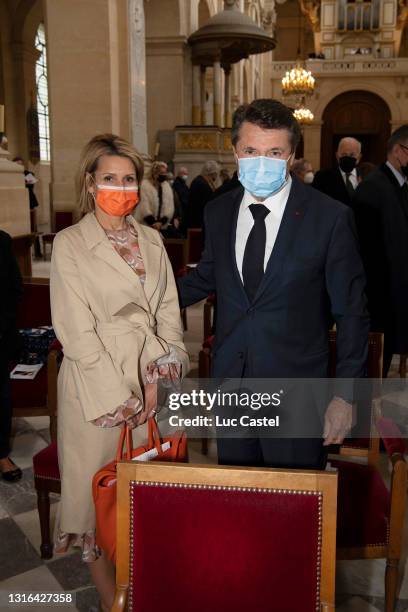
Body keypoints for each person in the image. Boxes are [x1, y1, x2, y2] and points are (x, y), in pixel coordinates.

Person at [178, 99, 369, 470]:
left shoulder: (329, 218)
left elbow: (352, 314)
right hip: (232, 385)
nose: (261, 162)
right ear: (235, 151)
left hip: (296, 392)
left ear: (292, 155)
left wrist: (345, 397)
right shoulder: (218, 211)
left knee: (292, 509)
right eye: (251, 150)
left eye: (274, 152)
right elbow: (206, 276)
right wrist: (140, 296)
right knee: (241, 504)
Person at [50, 134, 189, 611]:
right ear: (91, 183)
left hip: (154, 378)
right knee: (97, 498)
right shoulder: (70, 243)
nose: (121, 187)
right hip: (98, 386)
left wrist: (162, 375)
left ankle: (145, 588)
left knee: (147, 493)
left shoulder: (151, 239)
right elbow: (75, 330)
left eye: (128, 179)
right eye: (110, 178)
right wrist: (122, 397)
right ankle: (114, 603)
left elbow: (170, 312)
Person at [353, 125, 408, 377]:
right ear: (399, 150)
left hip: (395, 291)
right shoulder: (373, 188)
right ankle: (366, 413)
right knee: (374, 364)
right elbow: (365, 251)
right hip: (378, 297)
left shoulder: (399, 184)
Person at [0, 231, 23, 482]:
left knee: (1, 397)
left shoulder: (3, 241)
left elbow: (14, 290)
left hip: (0, 337)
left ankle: (2, 454)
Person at [312, 137, 362, 206]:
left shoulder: (366, 177)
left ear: (359, 157)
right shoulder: (322, 177)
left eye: (352, 155)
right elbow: (316, 202)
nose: (348, 157)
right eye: (344, 154)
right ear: (337, 155)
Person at [133, 161, 175, 233]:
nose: (164, 175)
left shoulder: (166, 186)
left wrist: (161, 222)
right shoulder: (145, 185)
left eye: (165, 173)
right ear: (155, 173)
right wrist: (153, 223)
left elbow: (170, 207)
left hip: (161, 226)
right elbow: (144, 207)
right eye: (161, 173)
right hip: (145, 224)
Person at [13, 156, 42, 258]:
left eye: (20, 164)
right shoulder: (12, 175)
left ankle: (38, 252)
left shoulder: (28, 174)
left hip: (30, 204)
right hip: (18, 205)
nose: (19, 165)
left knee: (34, 228)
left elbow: (31, 183)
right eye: (17, 164)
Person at [186, 160, 219, 229]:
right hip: (199, 223)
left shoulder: (198, 181)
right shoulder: (203, 185)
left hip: (195, 221)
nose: (216, 176)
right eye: (216, 174)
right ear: (212, 173)